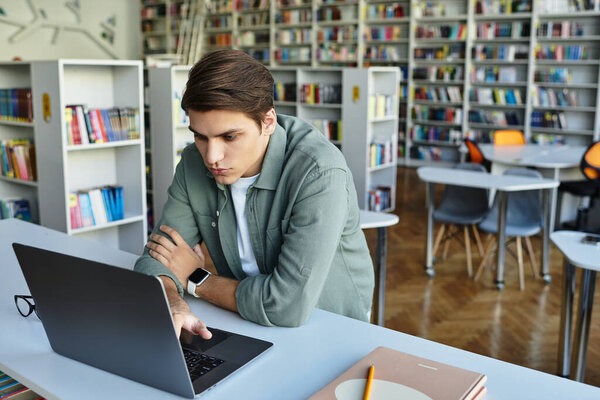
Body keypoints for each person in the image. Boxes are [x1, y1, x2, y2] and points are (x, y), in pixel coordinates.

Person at [134, 49, 374, 339]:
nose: (212, 156)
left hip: (330, 327)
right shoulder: (193, 163)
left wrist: (196, 278)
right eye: (200, 136)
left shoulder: (319, 172)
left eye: (229, 136)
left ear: (268, 122)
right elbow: (158, 256)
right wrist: (174, 301)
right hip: (243, 319)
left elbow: (287, 306)